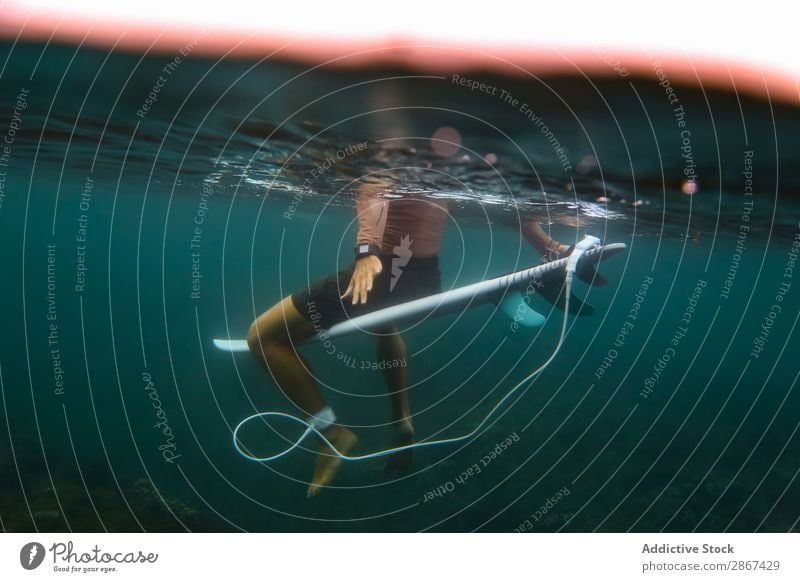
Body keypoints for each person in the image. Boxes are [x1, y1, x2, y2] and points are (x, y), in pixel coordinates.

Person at [247, 177, 574, 497]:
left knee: (263, 337)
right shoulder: (449, 172)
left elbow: (374, 191)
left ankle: (331, 433)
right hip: (424, 281)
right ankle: (402, 420)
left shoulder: (389, 148)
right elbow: (508, 210)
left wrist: (366, 252)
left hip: (382, 274)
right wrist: (552, 247)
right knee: (383, 323)